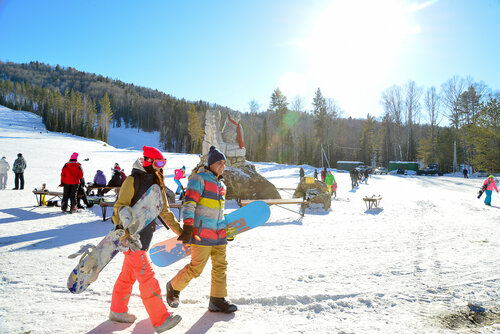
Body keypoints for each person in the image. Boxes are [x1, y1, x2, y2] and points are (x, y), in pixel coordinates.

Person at [109, 146, 182, 332]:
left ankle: (118, 311)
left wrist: (180, 232)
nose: (160, 167)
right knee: (146, 276)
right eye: (158, 163)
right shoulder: (133, 180)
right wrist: (124, 235)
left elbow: (164, 211)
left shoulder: (157, 182)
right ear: (147, 161)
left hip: (144, 237)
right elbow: (119, 207)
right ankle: (160, 318)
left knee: (128, 275)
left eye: (163, 163)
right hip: (131, 238)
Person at [166, 145, 237, 313]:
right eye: (219, 162)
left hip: (219, 235)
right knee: (196, 268)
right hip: (201, 235)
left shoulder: (222, 185)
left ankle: (217, 299)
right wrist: (188, 227)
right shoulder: (199, 179)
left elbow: (219, 213)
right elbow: (189, 203)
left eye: (224, 163)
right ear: (210, 164)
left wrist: (226, 230)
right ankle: (173, 287)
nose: (222, 166)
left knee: (221, 266)